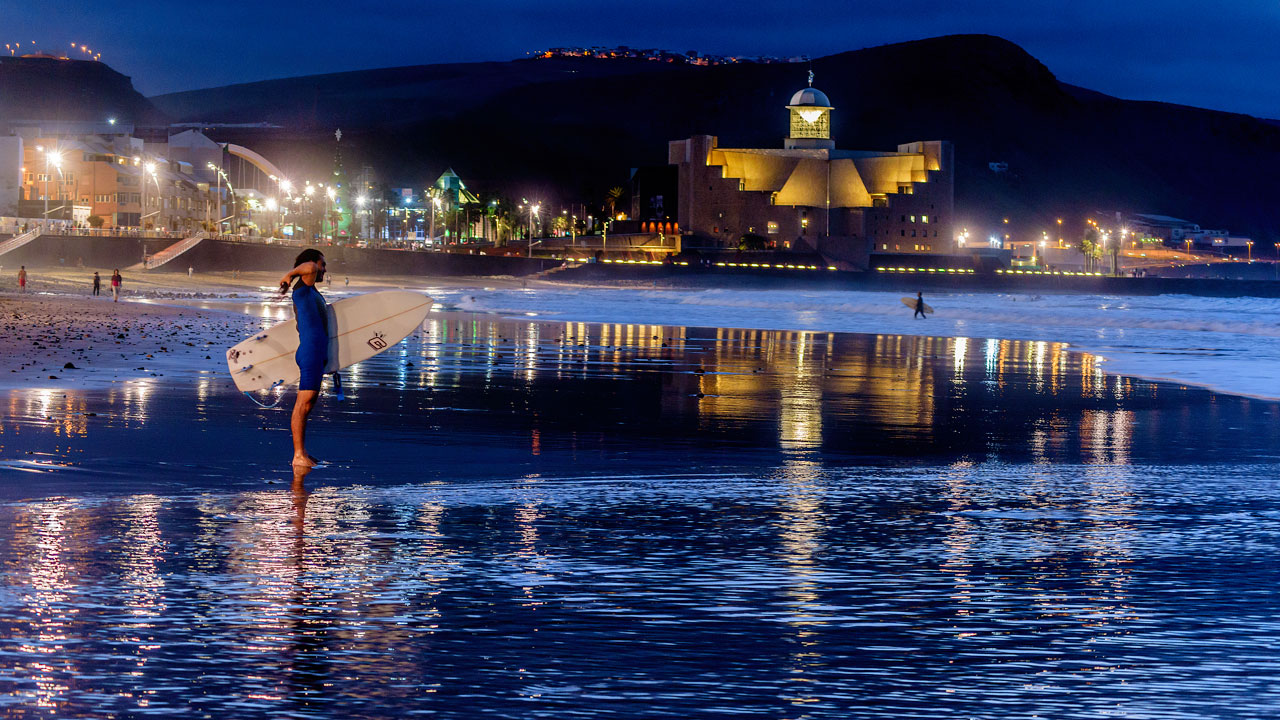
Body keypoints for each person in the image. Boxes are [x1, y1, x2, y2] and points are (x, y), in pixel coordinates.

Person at [278, 249, 329, 467]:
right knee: (302, 404)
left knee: (307, 405)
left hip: (316, 352)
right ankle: (297, 455)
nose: (323, 269)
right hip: (310, 351)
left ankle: (302, 452)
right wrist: (289, 275)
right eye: (322, 264)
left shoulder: (310, 291)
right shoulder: (303, 286)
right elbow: (310, 268)